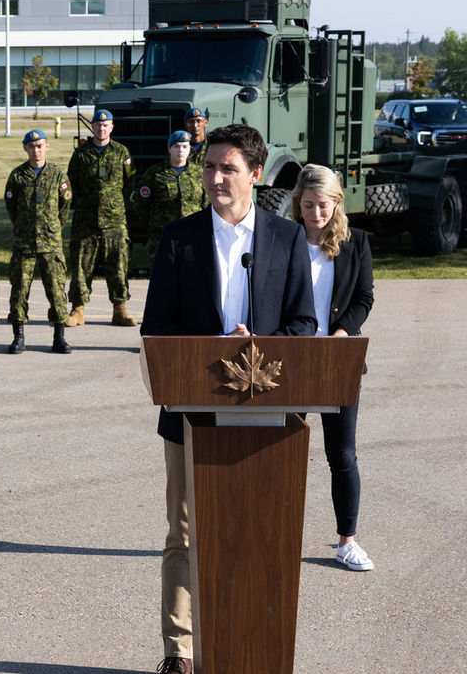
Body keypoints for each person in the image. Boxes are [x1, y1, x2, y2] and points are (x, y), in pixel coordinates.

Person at [140, 124, 316, 674]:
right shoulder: (179, 238)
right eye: (210, 166)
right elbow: (156, 327)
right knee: (185, 534)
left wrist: (258, 348)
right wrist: (213, 349)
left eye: (228, 168)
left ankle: (254, 644)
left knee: (261, 532)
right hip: (191, 414)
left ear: (256, 174)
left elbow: (305, 325)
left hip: (267, 419)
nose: (215, 177)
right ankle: (180, 650)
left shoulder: (287, 239)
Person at [292, 164, 376, 572]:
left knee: (341, 454)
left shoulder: (356, 242)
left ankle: (347, 541)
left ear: (337, 202)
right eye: (308, 205)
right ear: (298, 204)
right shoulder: (284, 240)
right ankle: (278, 533)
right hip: (291, 362)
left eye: (323, 205)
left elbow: (364, 297)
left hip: (338, 361)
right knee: (284, 452)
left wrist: (344, 332)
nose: (315, 213)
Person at [4, 128, 73, 354]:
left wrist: (51, 228)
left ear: (47, 147)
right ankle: (19, 336)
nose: (36, 150)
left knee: (56, 290)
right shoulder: (17, 176)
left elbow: (64, 208)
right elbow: (12, 208)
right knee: (19, 291)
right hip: (24, 243)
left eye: (40, 145)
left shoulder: (58, 175)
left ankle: (59, 336)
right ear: (25, 148)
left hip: (51, 243)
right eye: (32, 146)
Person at [66, 108, 137, 328]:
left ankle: (119, 309)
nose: (101, 128)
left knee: (117, 266)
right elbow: (72, 183)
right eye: (98, 124)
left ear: (112, 127)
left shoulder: (121, 152)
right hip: (86, 220)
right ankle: (77, 309)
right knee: (80, 267)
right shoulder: (81, 154)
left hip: (114, 221)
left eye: (106, 125)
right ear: (93, 127)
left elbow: (129, 184)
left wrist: (113, 204)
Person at [134, 130, 206, 270]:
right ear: (169, 149)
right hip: (162, 238)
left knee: (191, 281)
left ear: (189, 149)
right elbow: (141, 205)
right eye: (176, 146)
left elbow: (206, 204)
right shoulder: (155, 173)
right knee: (163, 282)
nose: (180, 150)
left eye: (185, 147)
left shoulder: (199, 174)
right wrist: (154, 226)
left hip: (192, 238)